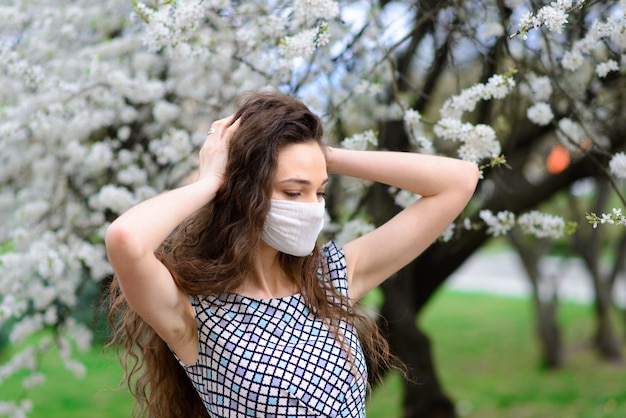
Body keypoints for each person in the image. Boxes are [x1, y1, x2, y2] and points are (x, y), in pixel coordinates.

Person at [105, 91, 479, 418]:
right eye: (293, 192)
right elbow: (125, 239)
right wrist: (212, 181)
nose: (313, 208)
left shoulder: (330, 279)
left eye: (320, 191)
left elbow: (459, 180)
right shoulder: (195, 312)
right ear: (243, 193)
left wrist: (318, 157)